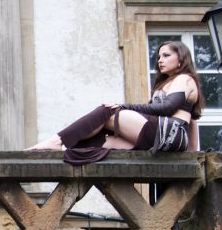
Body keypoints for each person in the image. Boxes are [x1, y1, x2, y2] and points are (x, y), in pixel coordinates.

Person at [28, 40, 203, 164]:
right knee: (104, 141)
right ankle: (61, 152)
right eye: (158, 57)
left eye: (166, 55)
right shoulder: (169, 82)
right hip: (166, 138)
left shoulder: (184, 79)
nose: (159, 60)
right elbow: (192, 118)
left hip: (169, 135)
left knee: (108, 111)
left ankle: (57, 141)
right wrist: (193, 151)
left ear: (180, 58)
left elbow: (167, 108)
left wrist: (123, 106)